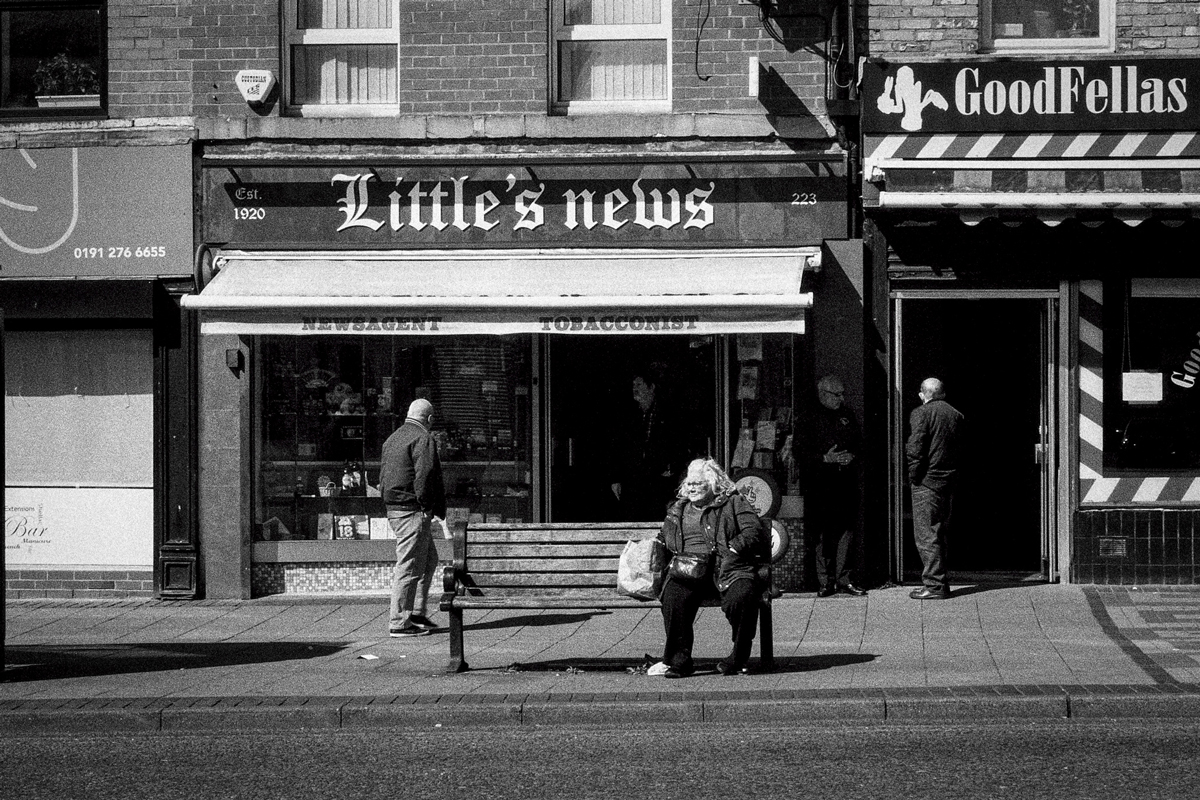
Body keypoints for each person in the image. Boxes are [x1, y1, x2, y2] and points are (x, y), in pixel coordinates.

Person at [648, 458, 770, 678]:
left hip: (729, 569)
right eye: (689, 483)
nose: (691, 487)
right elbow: (664, 537)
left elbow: (754, 531)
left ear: (713, 484)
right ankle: (679, 661)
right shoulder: (678, 509)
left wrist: (733, 549)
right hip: (689, 570)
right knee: (673, 596)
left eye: (697, 483)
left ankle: (738, 657)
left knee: (742, 598)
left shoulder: (733, 502)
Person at [379, 398, 447, 636]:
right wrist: (427, 507)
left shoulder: (394, 437)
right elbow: (425, 476)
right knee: (408, 566)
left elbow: (384, 474)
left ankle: (416, 612)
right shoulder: (423, 438)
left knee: (428, 560)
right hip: (412, 510)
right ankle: (399, 621)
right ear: (429, 419)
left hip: (395, 507)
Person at [803, 375, 867, 598]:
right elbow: (799, 453)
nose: (841, 398)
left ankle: (844, 578)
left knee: (845, 532)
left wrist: (853, 455)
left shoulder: (847, 415)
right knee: (821, 535)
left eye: (842, 394)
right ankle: (824, 580)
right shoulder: (809, 417)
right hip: (820, 485)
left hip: (845, 483)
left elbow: (860, 443)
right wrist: (824, 459)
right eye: (836, 394)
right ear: (823, 394)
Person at [905, 377, 965, 600]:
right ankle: (940, 581)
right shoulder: (955, 414)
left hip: (927, 482)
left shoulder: (921, 413)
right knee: (939, 532)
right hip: (947, 481)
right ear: (943, 393)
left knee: (926, 534)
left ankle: (934, 585)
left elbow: (915, 448)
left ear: (923, 394)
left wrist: (914, 476)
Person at [610, 369, 687, 521]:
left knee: (655, 520)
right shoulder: (629, 414)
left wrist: (672, 467)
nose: (635, 389)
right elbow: (619, 447)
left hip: (658, 480)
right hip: (632, 480)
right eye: (633, 385)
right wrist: (616, 478)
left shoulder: (667, 413)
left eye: (639, 384)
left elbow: (679, 442)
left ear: (651, 387)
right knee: (632, 521)